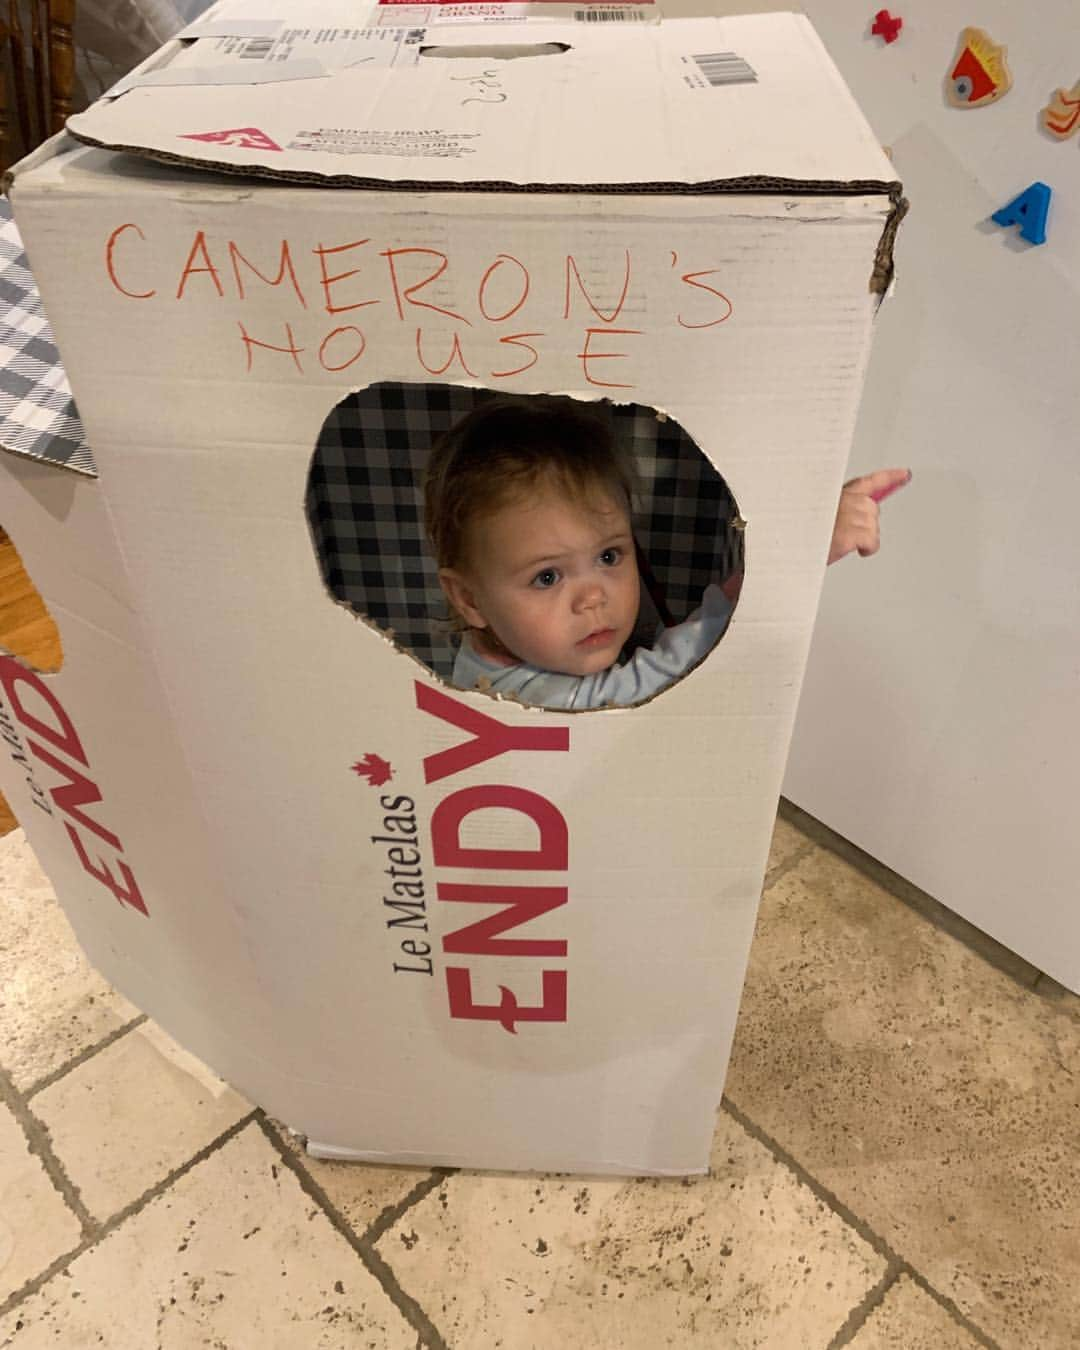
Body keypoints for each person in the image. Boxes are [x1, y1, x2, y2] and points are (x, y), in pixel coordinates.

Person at [423, 398, 910, 711]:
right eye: (548, 577)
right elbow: (651, 686)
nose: (593, 596)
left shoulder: (509, 645)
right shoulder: (518, 696)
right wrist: (790, 559)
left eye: (610, 557)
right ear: (469, 599)